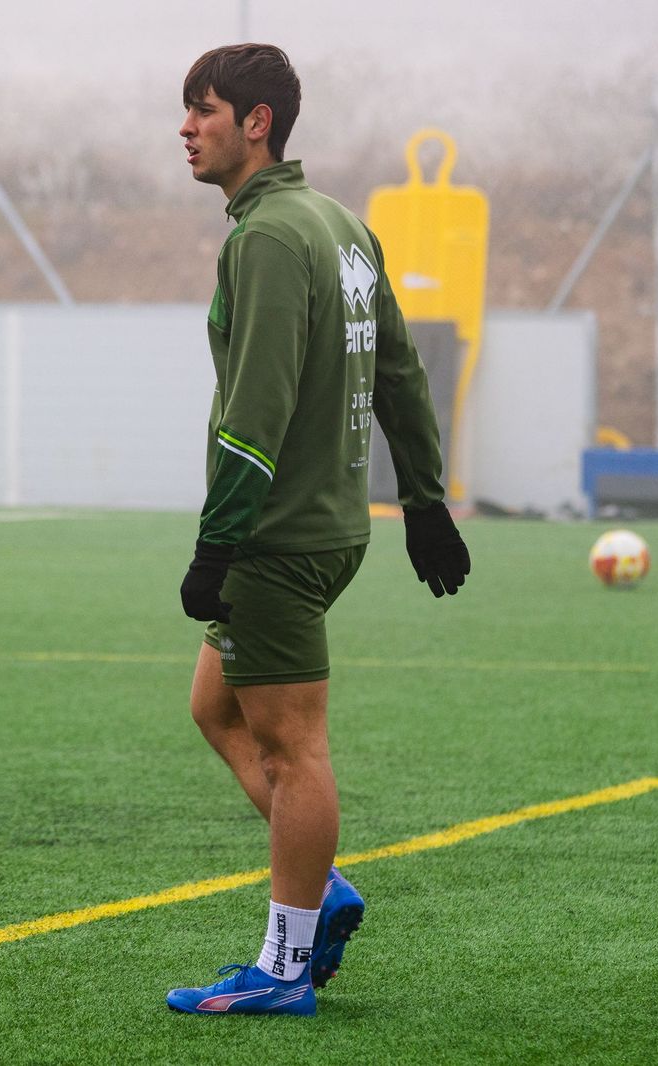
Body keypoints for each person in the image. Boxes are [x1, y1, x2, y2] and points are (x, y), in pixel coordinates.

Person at [166, 43, 470, 1017]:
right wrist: (422, 501)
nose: (184, 127)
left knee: (294, 747)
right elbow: (403, 375)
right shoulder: (341, 225)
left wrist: (217, 544)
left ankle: (284, 965)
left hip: (276, 535)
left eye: (202, 110)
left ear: (256, 123)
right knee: (214, 705)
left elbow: (253, 409)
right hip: (335, 528)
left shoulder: (264, 237)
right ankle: (320, 879)